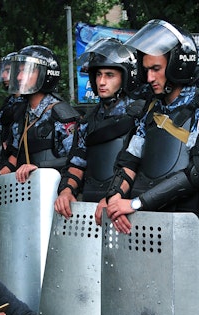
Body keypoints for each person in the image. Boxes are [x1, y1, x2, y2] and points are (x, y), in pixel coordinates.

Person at [100, 19, 199, 233]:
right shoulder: (150, 108)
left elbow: (196, 172)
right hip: (144, 220)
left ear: (177, 65)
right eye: (146, 69)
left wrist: (136, 203)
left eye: (156, 69)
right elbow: (130, 160)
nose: (149, 77)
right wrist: (114, 199)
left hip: (187, 224)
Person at [54, 37, 144, 218]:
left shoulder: (140, 114)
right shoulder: (88, 120)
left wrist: (114, 197)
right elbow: (76, 163)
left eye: (110, 75)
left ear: (126, 77)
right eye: (98, 74)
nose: (102, 81)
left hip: (125, 208)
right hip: (89, 204)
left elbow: (138, 164)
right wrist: (66, 191)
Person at [0, 45, 80, 195]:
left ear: (46, 75)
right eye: (19, 71)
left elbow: (76, 160)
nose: (20, 77)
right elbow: (14, 157)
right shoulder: (21, 113)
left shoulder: (60, 114)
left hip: (55, 195)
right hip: (27, 196)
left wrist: (38, 167)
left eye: (28, 71)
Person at [0, 51, 24, 153]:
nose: (3, 75)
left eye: (8, 70)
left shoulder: (29, 103)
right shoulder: (9, 101)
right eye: (3, 71)